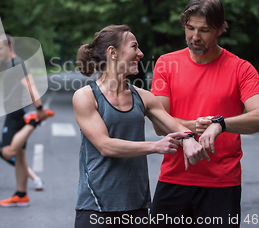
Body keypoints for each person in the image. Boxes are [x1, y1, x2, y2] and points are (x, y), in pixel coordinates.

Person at [149, 0, 259, 227]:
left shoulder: (241, 68)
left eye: (204, 30)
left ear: (220, 29)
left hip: (222, 184)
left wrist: (220, 124)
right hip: (174, 179)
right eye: (190, 28)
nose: (195, 37)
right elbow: (159, 123)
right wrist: (194, 127)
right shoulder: (166, 64)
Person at [73, 25, 206, 228]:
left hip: (136, 206)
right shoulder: (86, 97)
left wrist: (188, 138)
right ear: (113, 53)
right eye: (134, 47)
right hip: (96, 206)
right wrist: (155, 146)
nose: (140, 54)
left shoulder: (143, 97)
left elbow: (173, 124)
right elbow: (105, 146)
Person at [0, 34, 51, 207]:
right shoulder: (14, 64)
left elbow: (30, 85)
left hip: (15, 114)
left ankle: (33, 122)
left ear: (9, 47)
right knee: (19, 157)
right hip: (16, 112)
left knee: (7, 152)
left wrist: (39, 110)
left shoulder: (16, 63)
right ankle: (21, 194)